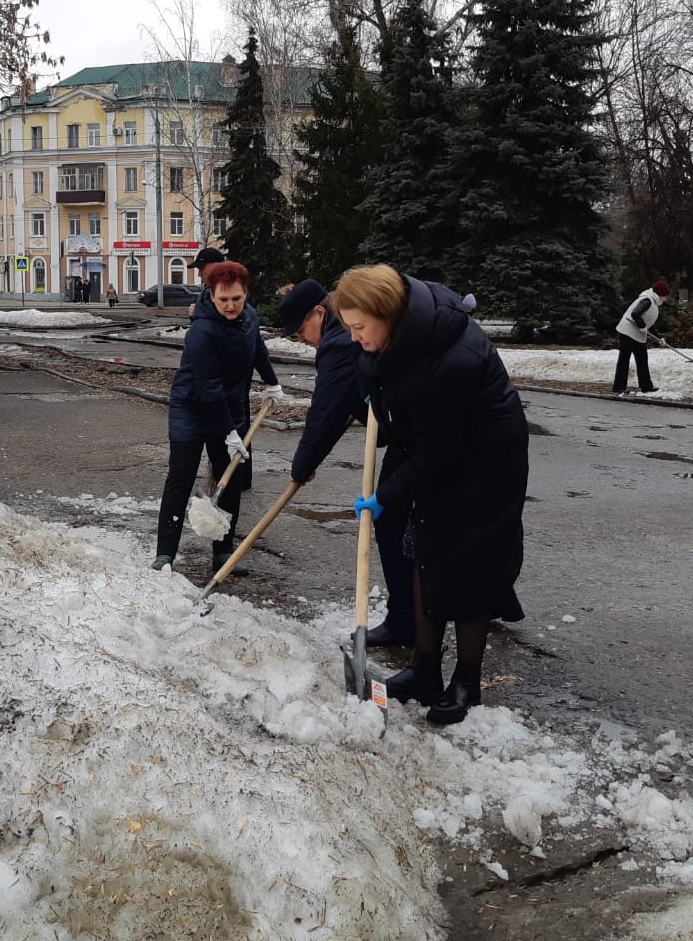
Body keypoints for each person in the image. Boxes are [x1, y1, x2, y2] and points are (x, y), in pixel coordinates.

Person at [332, 264, 529, 727]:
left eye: (360, 327)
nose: (354, 337)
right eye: (349, 328)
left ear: (387, 315)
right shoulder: (399, 338)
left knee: (469, 566)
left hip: (486, 463)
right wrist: (373, 394)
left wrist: (386, 496)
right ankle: (425, 671)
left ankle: (467, 680)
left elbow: (436, 452)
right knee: (427, 554)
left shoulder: (447, 358)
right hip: (441, 449)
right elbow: (399, 409)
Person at [281, 277, 414, 647]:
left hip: (421, 433)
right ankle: (476, 601)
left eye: (300, 331)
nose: (301, 340)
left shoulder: (339, 342)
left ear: (318, 313)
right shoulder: (346, 337)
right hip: (416, 427)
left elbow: (325, 412)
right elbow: (347, 402)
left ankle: (407, 621)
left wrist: (302, 466)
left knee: (392, 519)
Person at [154, 259, 283, 572]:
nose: (230, 305)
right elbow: (209, 388)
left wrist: (272, 382)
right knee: (181, 478)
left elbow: (258, 350)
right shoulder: (201, 331)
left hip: (229, 406)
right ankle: (165, 554)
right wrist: (230, 432)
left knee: (231, 478)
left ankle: (223, 552)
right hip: (192, 408)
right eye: (223, 299)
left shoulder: (249, 318)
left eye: (236, 298)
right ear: (211, 296)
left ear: (245, 294)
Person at [613, 280, 670, 394]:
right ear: (660, 294)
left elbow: (648, 322)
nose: (666, 299)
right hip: (627, 331)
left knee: (642, 359)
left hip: (637, 333)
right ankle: (619, 387)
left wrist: (659, 338)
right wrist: (642, 325)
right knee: (624, 359)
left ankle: (646, 386)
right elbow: (635, 314)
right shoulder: (647, 300)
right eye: (666, 296)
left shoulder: (653, 302)